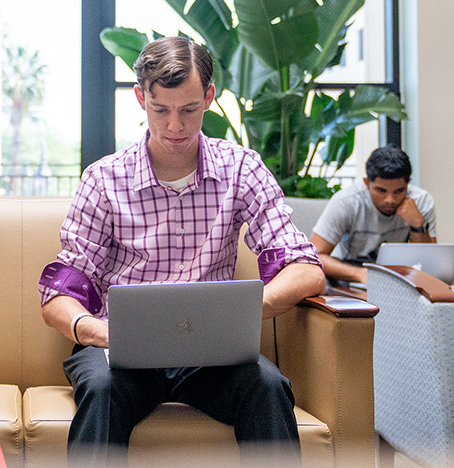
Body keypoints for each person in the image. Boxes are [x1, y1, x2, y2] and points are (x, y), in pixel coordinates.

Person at [37, 37, 326, 467]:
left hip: (212, 355)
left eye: (189, 109)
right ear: (141, 98)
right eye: (161, 110)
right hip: (120, 354)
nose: (175, 125)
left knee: (268, 387)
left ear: (209, 97)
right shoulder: (103, 179)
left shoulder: (241, 168)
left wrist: (248, 309)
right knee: (100, 390)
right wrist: (98, 333)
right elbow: (60, 293)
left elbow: (306, 269)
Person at [311, 145, 436, 286]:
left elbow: (428, 266)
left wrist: (418, 226)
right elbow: (315, 256)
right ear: (366, 183)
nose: (390, 199)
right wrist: (360, 274)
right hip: (349, 279)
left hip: (398, 280)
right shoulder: (346, 202)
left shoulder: (421, 201)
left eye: (399, 191)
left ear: (408, 183)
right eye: (381, 191)